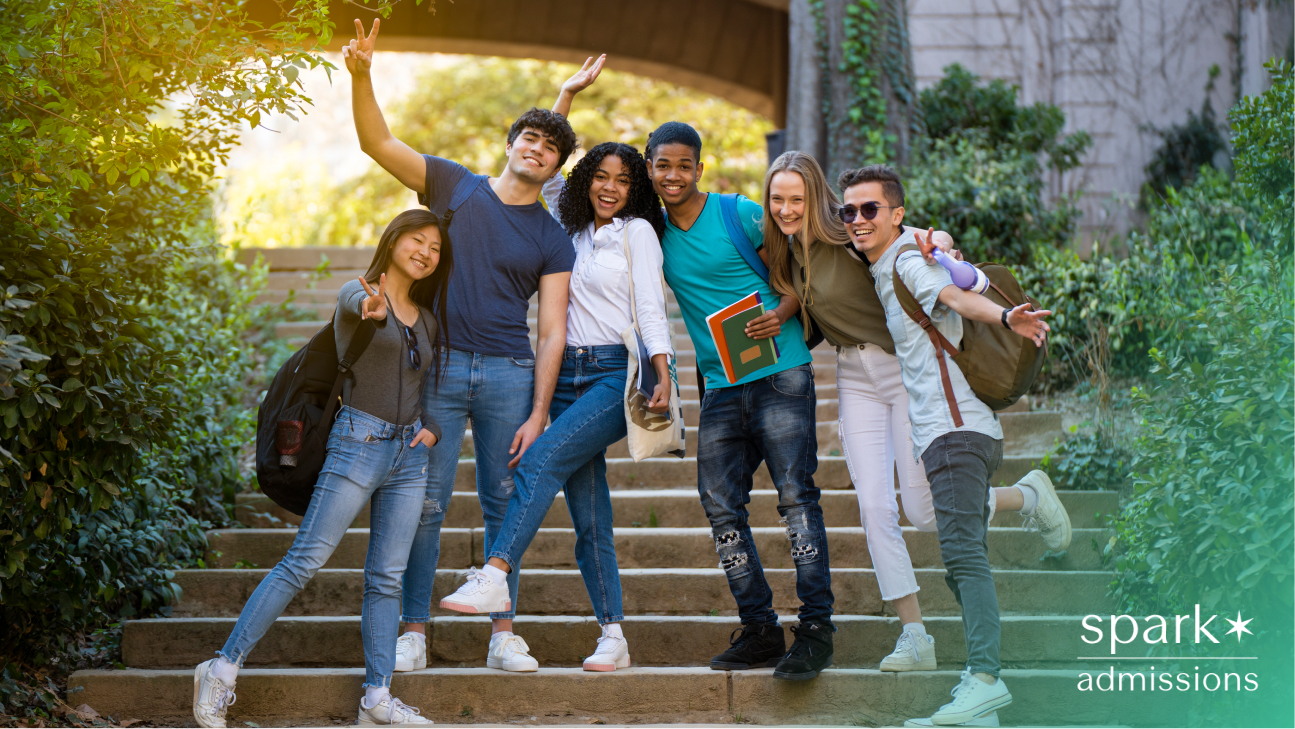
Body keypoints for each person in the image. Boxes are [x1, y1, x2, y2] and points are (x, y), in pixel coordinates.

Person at [761, 152, 1073, 682]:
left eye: (798, 198)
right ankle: (914, 632)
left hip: (904, 370)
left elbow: (921, 240)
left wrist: (944, 242)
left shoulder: (851, 231)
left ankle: (1029, 496)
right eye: (778, 199)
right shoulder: (785, 253)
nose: (788, 208)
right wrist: (784, 310)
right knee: (874, 506)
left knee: (924, 510)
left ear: (820, 201)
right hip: (854, 374)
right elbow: (803, 295)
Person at [343, 19, 578, 673]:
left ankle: (503, 633)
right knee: (426, 500)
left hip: (508, 374)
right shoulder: (454, 185)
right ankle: (414, 629)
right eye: (529, 136)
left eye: (550, 146)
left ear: (556, 167)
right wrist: (361, 75)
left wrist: (538, 409)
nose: (537, 148)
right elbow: (377, 140)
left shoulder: (552, 237)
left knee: (505, 503)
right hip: (439, 371)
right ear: (509, 143)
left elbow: (552, 327)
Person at [437, 63, 674, 672]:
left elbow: (649, 304)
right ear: (585, 179)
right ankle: (613, 635)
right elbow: (533, 162)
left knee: (535, 460)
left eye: (623, 179)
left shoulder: (638, 233)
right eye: (600, 175)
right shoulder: (561, 227)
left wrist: (662, 370)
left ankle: (494, 569)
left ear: (635, 188)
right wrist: (564, 96)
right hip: (560, 375)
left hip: (610, 378)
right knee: (589, 513)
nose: (610, 187)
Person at [835, 165, 1072, 727]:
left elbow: (952, 296)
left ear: (895, 213)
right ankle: (1029, 497)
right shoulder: (894, 256)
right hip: (946, 430)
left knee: (964, 556)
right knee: (936, 525)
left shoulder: (907, 260)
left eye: (870, 209)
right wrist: (938, 241)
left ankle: (985, 680)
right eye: (849, 211)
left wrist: (1005, 315)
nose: (858, 220)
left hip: (956, 429)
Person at [192, 210, 450, 727]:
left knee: (386, 578)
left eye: (435, 248)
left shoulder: (427, 320)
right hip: (356, 442)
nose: (425, 251)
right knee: (304, 560)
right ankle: (221, 668)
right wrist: (371, 307)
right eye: (416, 240)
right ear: (394, 240)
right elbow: (357, 304)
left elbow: (427, 387)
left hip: (408, 455)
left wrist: (431, 428)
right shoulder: (355, 296)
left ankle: (376, 697)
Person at [628, 115, 835, 680]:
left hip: (781, 373)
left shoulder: (738, 211)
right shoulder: (650, 233)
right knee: (721, 506)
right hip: (720, 385)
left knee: (796, 498)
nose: (673, 175)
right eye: (662, 165)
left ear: (701, 168)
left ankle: (816, 628)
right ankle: (761, 627)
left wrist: (784, 311)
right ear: (649, 169)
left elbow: (799, 268)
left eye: (684, 165)